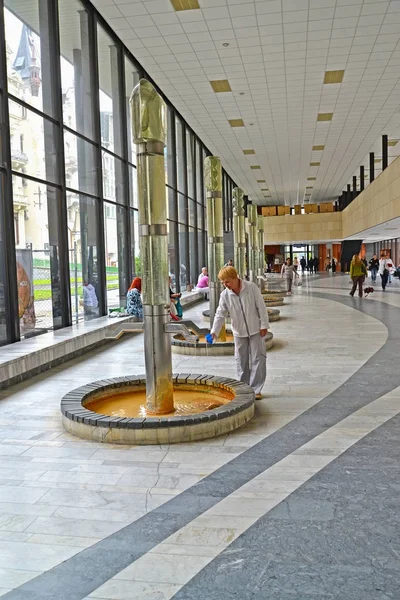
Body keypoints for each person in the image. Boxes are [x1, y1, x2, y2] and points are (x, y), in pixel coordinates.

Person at [210, 266, 269, 400]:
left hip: (256, 330)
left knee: (258, 358)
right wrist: (214, 331)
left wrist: (264, 324)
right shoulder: (225, 295)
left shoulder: (251, 287)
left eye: (227, 282)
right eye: (223, 283)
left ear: (236, 278)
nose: (225, 285)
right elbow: (220, 313)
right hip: (238, 332)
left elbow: (261, 306)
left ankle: (256, 389)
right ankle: (244, 387)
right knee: (241, 361)